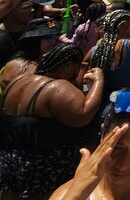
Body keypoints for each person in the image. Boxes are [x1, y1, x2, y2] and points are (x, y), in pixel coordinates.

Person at [0, 44, 105, 199]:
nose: (76, 76)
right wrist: (98, 81)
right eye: (75, 69)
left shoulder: (18, 81)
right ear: (68, 65)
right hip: (42, 166)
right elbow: (83, 114)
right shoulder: (56, 87)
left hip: (10, 159)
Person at [0, 18, 60, 91]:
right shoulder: (22, 66)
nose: (53, 41)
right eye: (49, 37)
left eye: (55, 36)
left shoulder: (41, 59)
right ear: (34, 40)